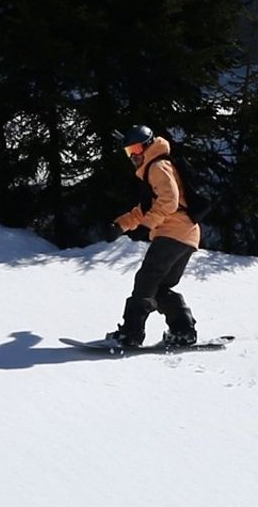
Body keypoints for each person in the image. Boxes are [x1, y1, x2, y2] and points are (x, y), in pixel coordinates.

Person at [105, 125, 200, 348]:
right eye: (129, 151)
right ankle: (183, 330)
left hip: (173, 232)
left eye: (137, 149)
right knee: (159, 287)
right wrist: (120, 225)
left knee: (146, 281)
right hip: (186, 235)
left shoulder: (158, 166)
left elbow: (169, 200)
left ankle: (131, 333)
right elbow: (146, 209)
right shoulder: (154, 170)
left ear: (148, 146)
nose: (134, 155)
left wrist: (147, 226)